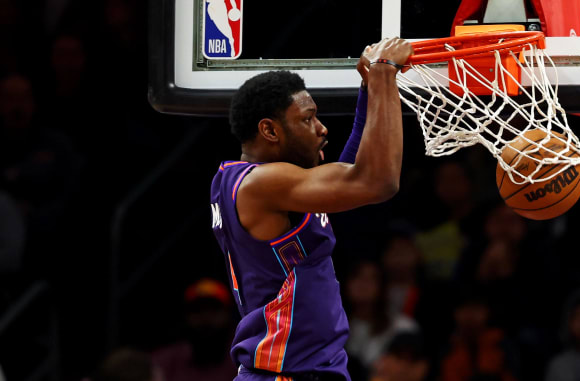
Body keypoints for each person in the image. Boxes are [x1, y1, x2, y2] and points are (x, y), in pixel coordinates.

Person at [210, 38, 412, 381]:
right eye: (308, 119)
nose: (322, 129)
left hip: (313, 368)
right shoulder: (260, 184)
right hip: (284, 372)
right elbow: (378, 182)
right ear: (269, 130)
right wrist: (383, 74)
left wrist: (368, 92)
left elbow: (350, 174)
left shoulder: (277, 187)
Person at [152, 279, 237, 381]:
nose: (206, 317)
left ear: (228, 314)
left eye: (214, 309)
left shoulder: (243, 361)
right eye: (197, 310)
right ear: (185, 316)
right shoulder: (165, 362)